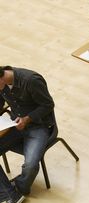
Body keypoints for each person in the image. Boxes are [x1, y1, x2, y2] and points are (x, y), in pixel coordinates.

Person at [0, 66, 55, 195]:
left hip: (38, 127)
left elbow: (48, 105)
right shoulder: (2, 85)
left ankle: (18, 189)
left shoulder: (31, 80)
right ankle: (8, 192)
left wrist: (27, 119)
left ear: (1, 79)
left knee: (30, 165)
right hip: (15, 125)